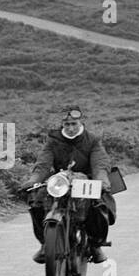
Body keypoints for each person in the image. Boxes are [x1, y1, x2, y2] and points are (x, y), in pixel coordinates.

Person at [25, 106, 116, 264]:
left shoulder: (92, 140)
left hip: (86, 180)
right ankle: (46, 243)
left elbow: (100, 164)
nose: (71, 128)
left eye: (74, 124)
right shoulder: (53, 140)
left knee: (98, 206)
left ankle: (95, 244)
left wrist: (101, 181)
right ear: (62, 125)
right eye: (67, 125)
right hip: (60, 181)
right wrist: (33, 180)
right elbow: (43, 164)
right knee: (36, 203)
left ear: (80, 122)